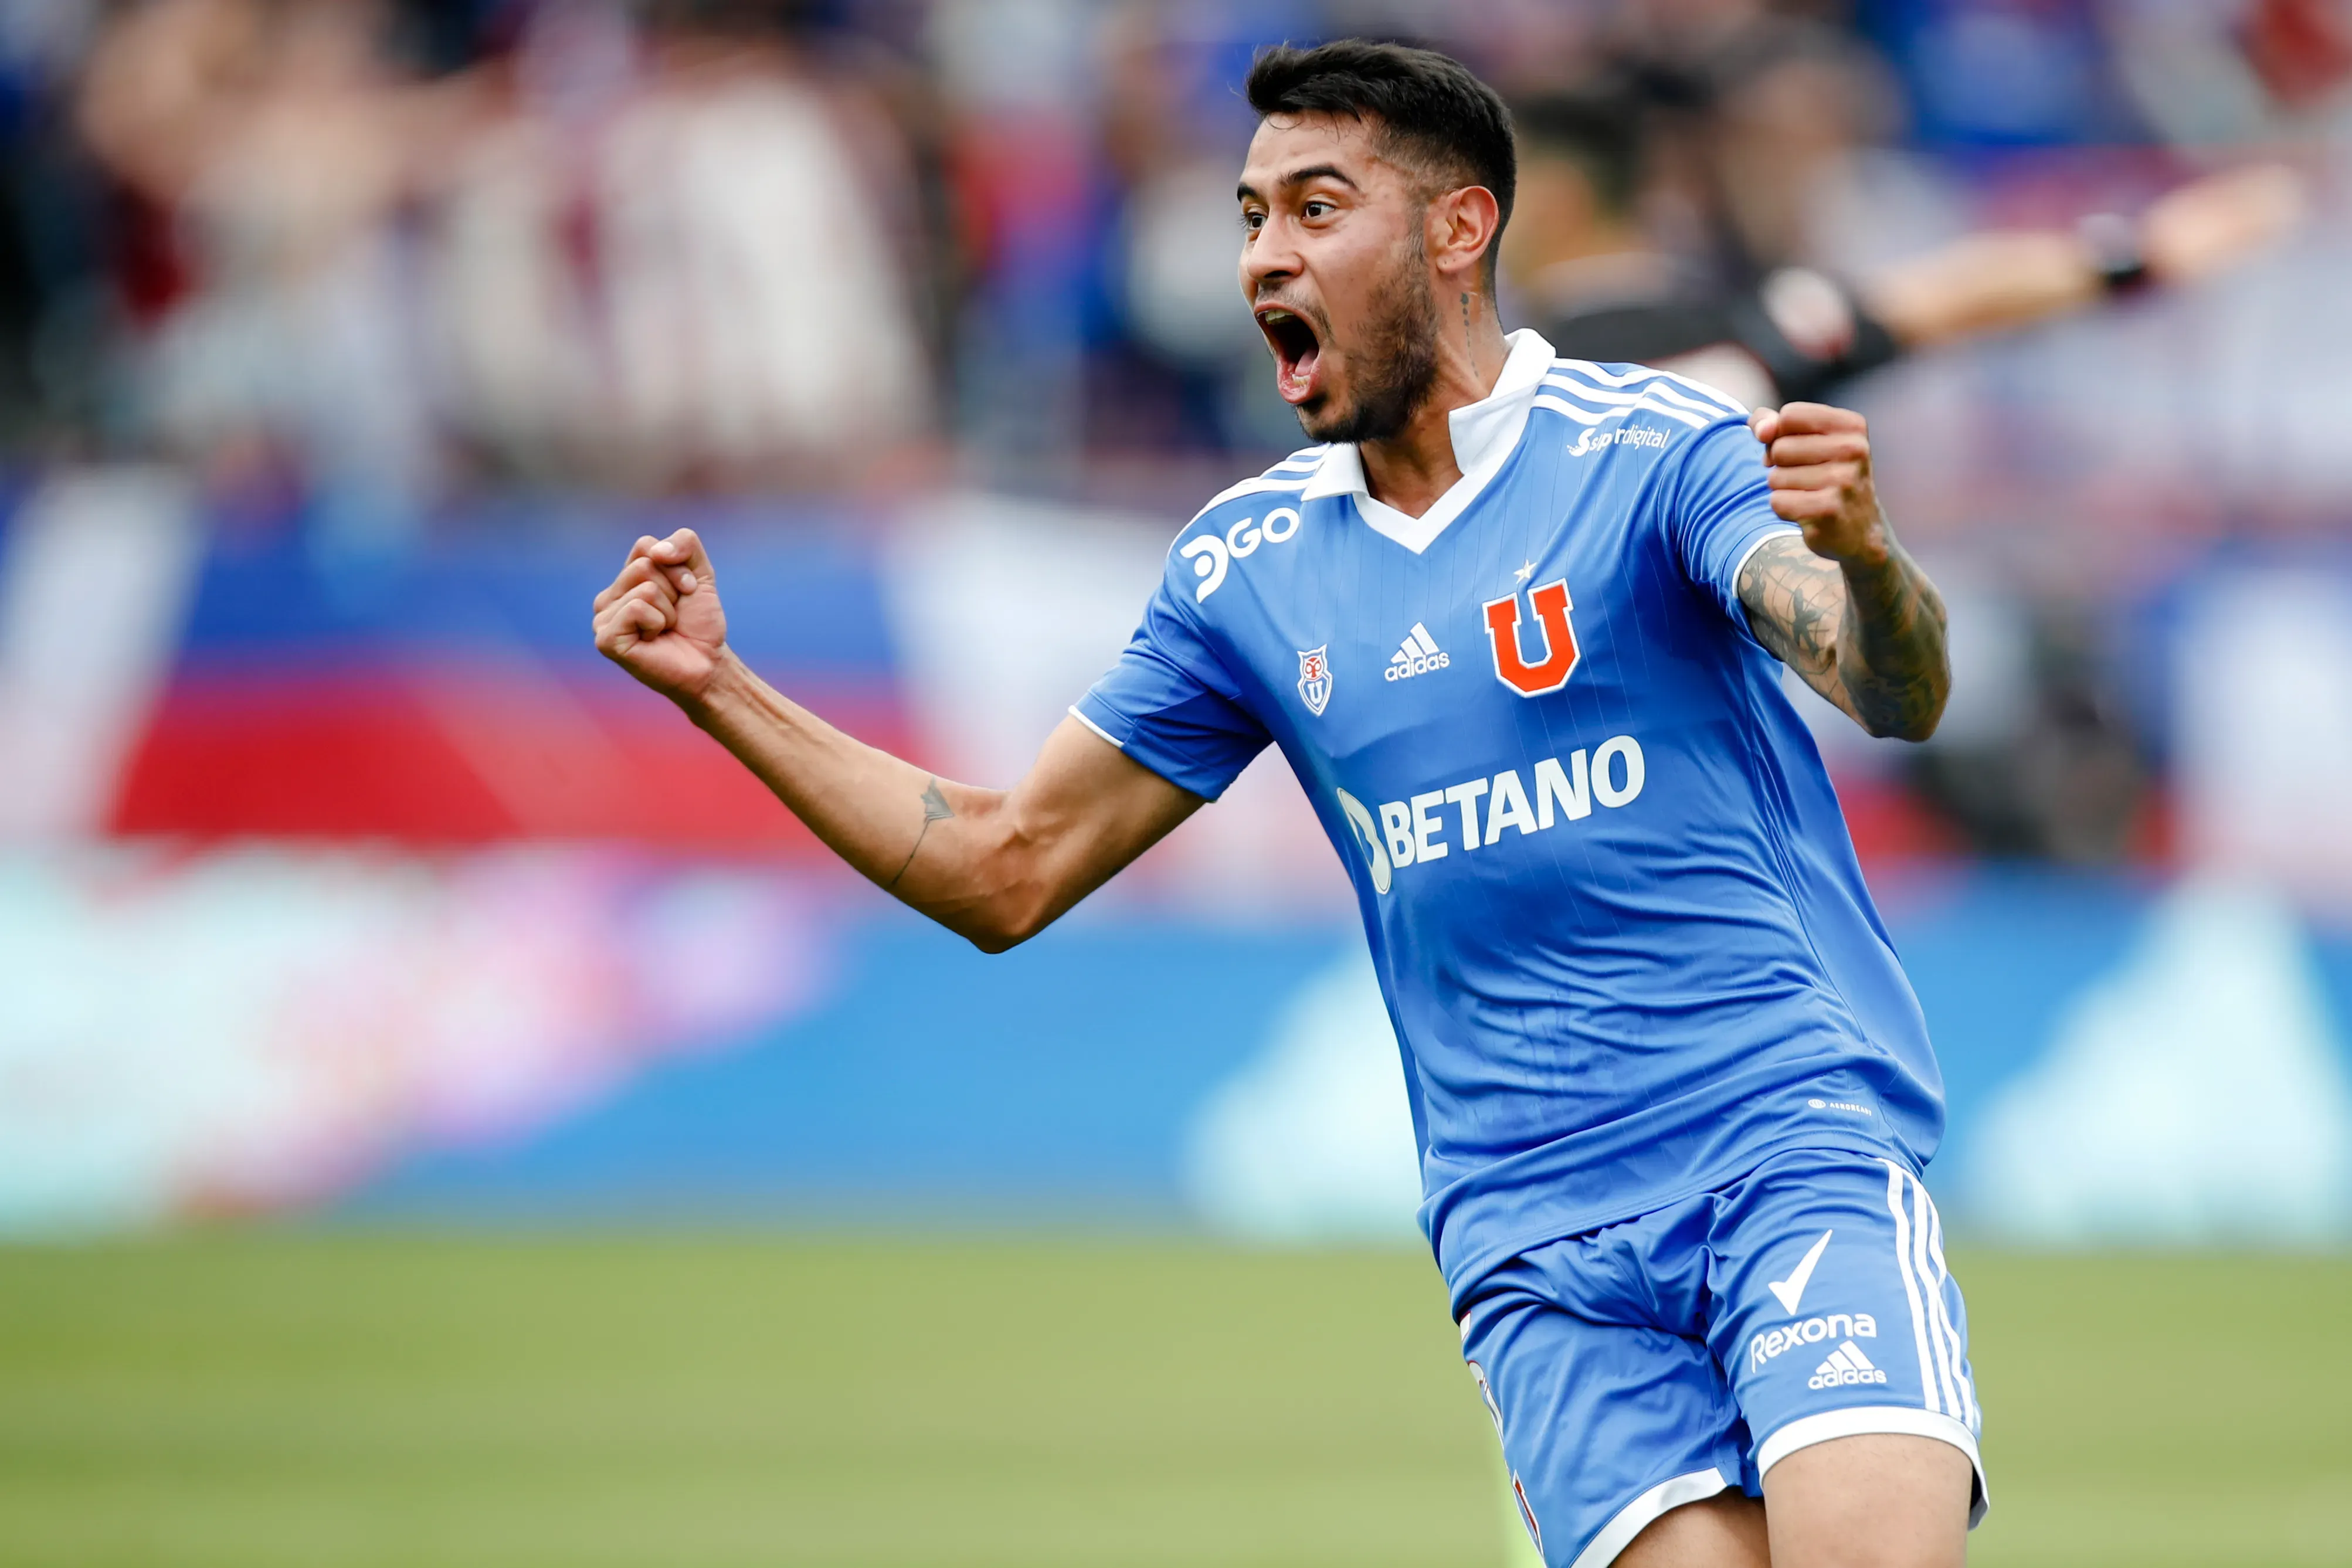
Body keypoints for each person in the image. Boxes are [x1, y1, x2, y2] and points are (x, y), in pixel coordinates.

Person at [595, 40, 1976, 1568]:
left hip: (1776, 1146)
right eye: (1249, 216)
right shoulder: (1243, 571)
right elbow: (1004, 866)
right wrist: (720, 686)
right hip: (1535, 1246)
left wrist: (1861, 554)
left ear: (1458, 230)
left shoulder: (1651, 452)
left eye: (1315, 209)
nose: (1264, 255)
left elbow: (1889, 685)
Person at [1506, 69, 2305, 411]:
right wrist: (2142, 252)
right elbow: (1940, 295)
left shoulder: (1502, 379)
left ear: (1559, 198)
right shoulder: (1740, 333)